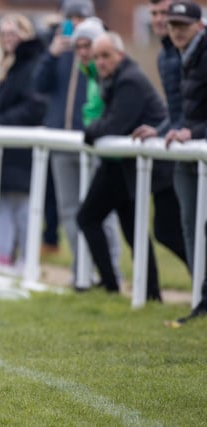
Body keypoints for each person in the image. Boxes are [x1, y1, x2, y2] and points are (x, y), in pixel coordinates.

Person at [33, 0, 123, 287]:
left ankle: (111, 273)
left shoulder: (102, 50)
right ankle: (81, 271)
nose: (74, 24)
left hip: (94, 142)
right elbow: (38, 85)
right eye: (69, 18)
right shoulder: (56, 48)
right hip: (62, 140)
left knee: (102, 213)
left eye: (79, 18)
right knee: (69, 211)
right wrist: (52, 54)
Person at [77, 32, 166, 301]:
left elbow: (113, 125)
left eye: (105, 56)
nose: (100, 62)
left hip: (143, 166)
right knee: (133, 231)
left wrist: (89, 132)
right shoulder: (114, 80)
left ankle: (115, 286)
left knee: (164, 233)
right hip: (124, 166)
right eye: (97, 58)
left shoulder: (129, 81)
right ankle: (144, 293)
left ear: (120, 55)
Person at [0, 13, 46, 271]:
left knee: (23, 207)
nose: (8, 39)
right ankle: (2, 259)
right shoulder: (2, 66)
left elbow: (33, 106)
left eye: (13, 33)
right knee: (2, 204)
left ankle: (28, 261)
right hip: (2, 149)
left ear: (25, 34)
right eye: (3, 34)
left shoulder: (34, 64)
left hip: (22, 149)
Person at [130, 0, 189, 273]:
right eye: (153, 13)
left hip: (195, 142)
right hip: (183, 146)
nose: (158, 19)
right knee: (170, 229)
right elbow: (179, 110)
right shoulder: (165, 56)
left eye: (164, 13)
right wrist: (161, 128)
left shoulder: (190, 51)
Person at [158, 0, 207, 326]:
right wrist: (162, 129)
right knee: (188, 227)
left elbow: (193, 121)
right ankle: (200, 298)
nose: (176, 31)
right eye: (173, 26)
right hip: (191, 155)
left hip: (199, 150)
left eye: (182, 26)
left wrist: (194, 132)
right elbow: (181, 115)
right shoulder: (180, 55)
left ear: (199, 26)